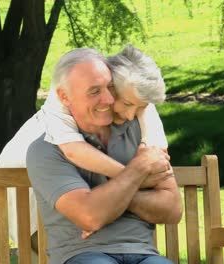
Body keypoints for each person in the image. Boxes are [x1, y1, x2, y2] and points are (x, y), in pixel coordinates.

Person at [26, 47, 182, 263]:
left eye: (109, 87)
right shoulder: (47, 148)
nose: (108, 99)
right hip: (83, 253)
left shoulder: (140, 133)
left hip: (144, 254)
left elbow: (172, 210)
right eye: (94, 91)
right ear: (65, 97)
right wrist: (137, 171)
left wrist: (109, 198)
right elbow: (90, 217)